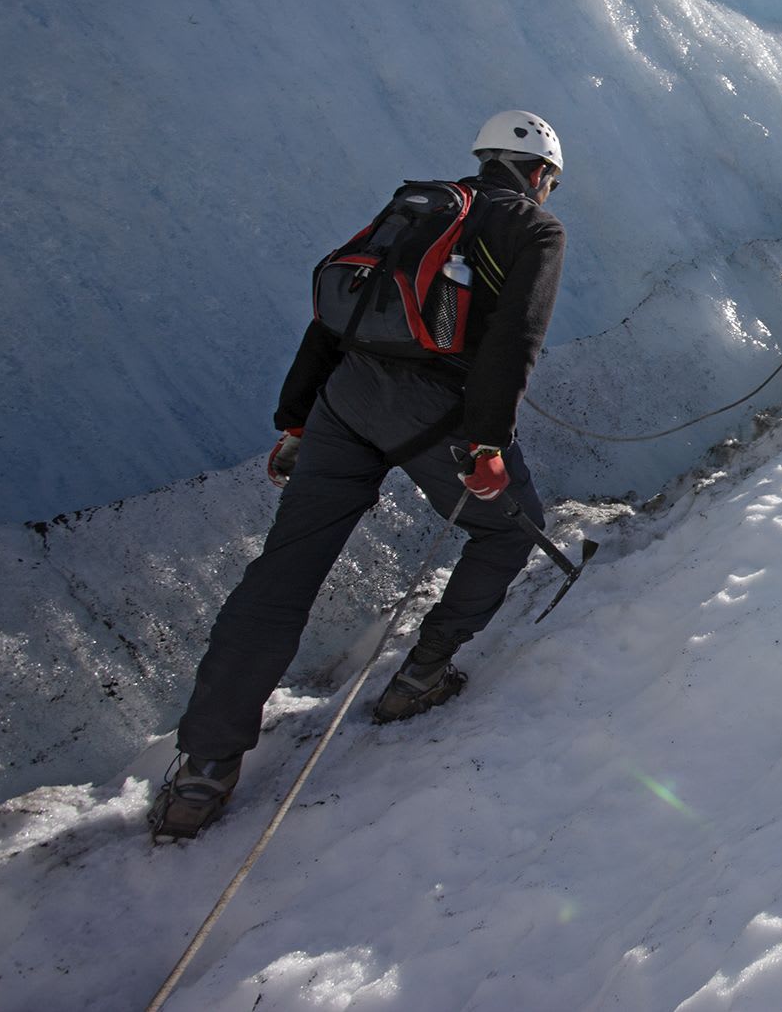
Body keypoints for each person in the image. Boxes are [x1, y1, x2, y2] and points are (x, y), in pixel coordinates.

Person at [149, 111, 569, 841]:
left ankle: (202, 771)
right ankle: (419, 677)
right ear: (538, 174)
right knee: (505, 533)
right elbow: (515, 337)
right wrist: (485, 444)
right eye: (551, 182)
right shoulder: (533, 228)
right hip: (433, 409)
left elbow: (334, 315)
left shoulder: (421, 205)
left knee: (281, 578)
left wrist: (298, 419)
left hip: (344, 398)